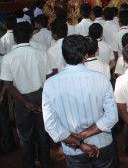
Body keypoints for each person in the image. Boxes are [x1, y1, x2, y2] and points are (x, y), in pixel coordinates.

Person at [43, 35, 118, 168]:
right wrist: (83, 136)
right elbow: (111, 117)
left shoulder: (50, 84)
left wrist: (79, 142)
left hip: (73, 148)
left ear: (63, 55)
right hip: (102, 142)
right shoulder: (100, 78)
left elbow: (51, 126)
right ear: (85, 55)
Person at [1, 22, 52, 168]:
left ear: (15, 38)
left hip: (20, 98)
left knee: (25, 136)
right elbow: (49, 79)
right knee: (42, 133)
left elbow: (8, 85)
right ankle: (46, 162)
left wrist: (26, 103)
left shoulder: (8, 58)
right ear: (31, 35)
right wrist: (44, 98)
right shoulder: (42, 54)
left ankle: (29, 164)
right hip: (41, 96)